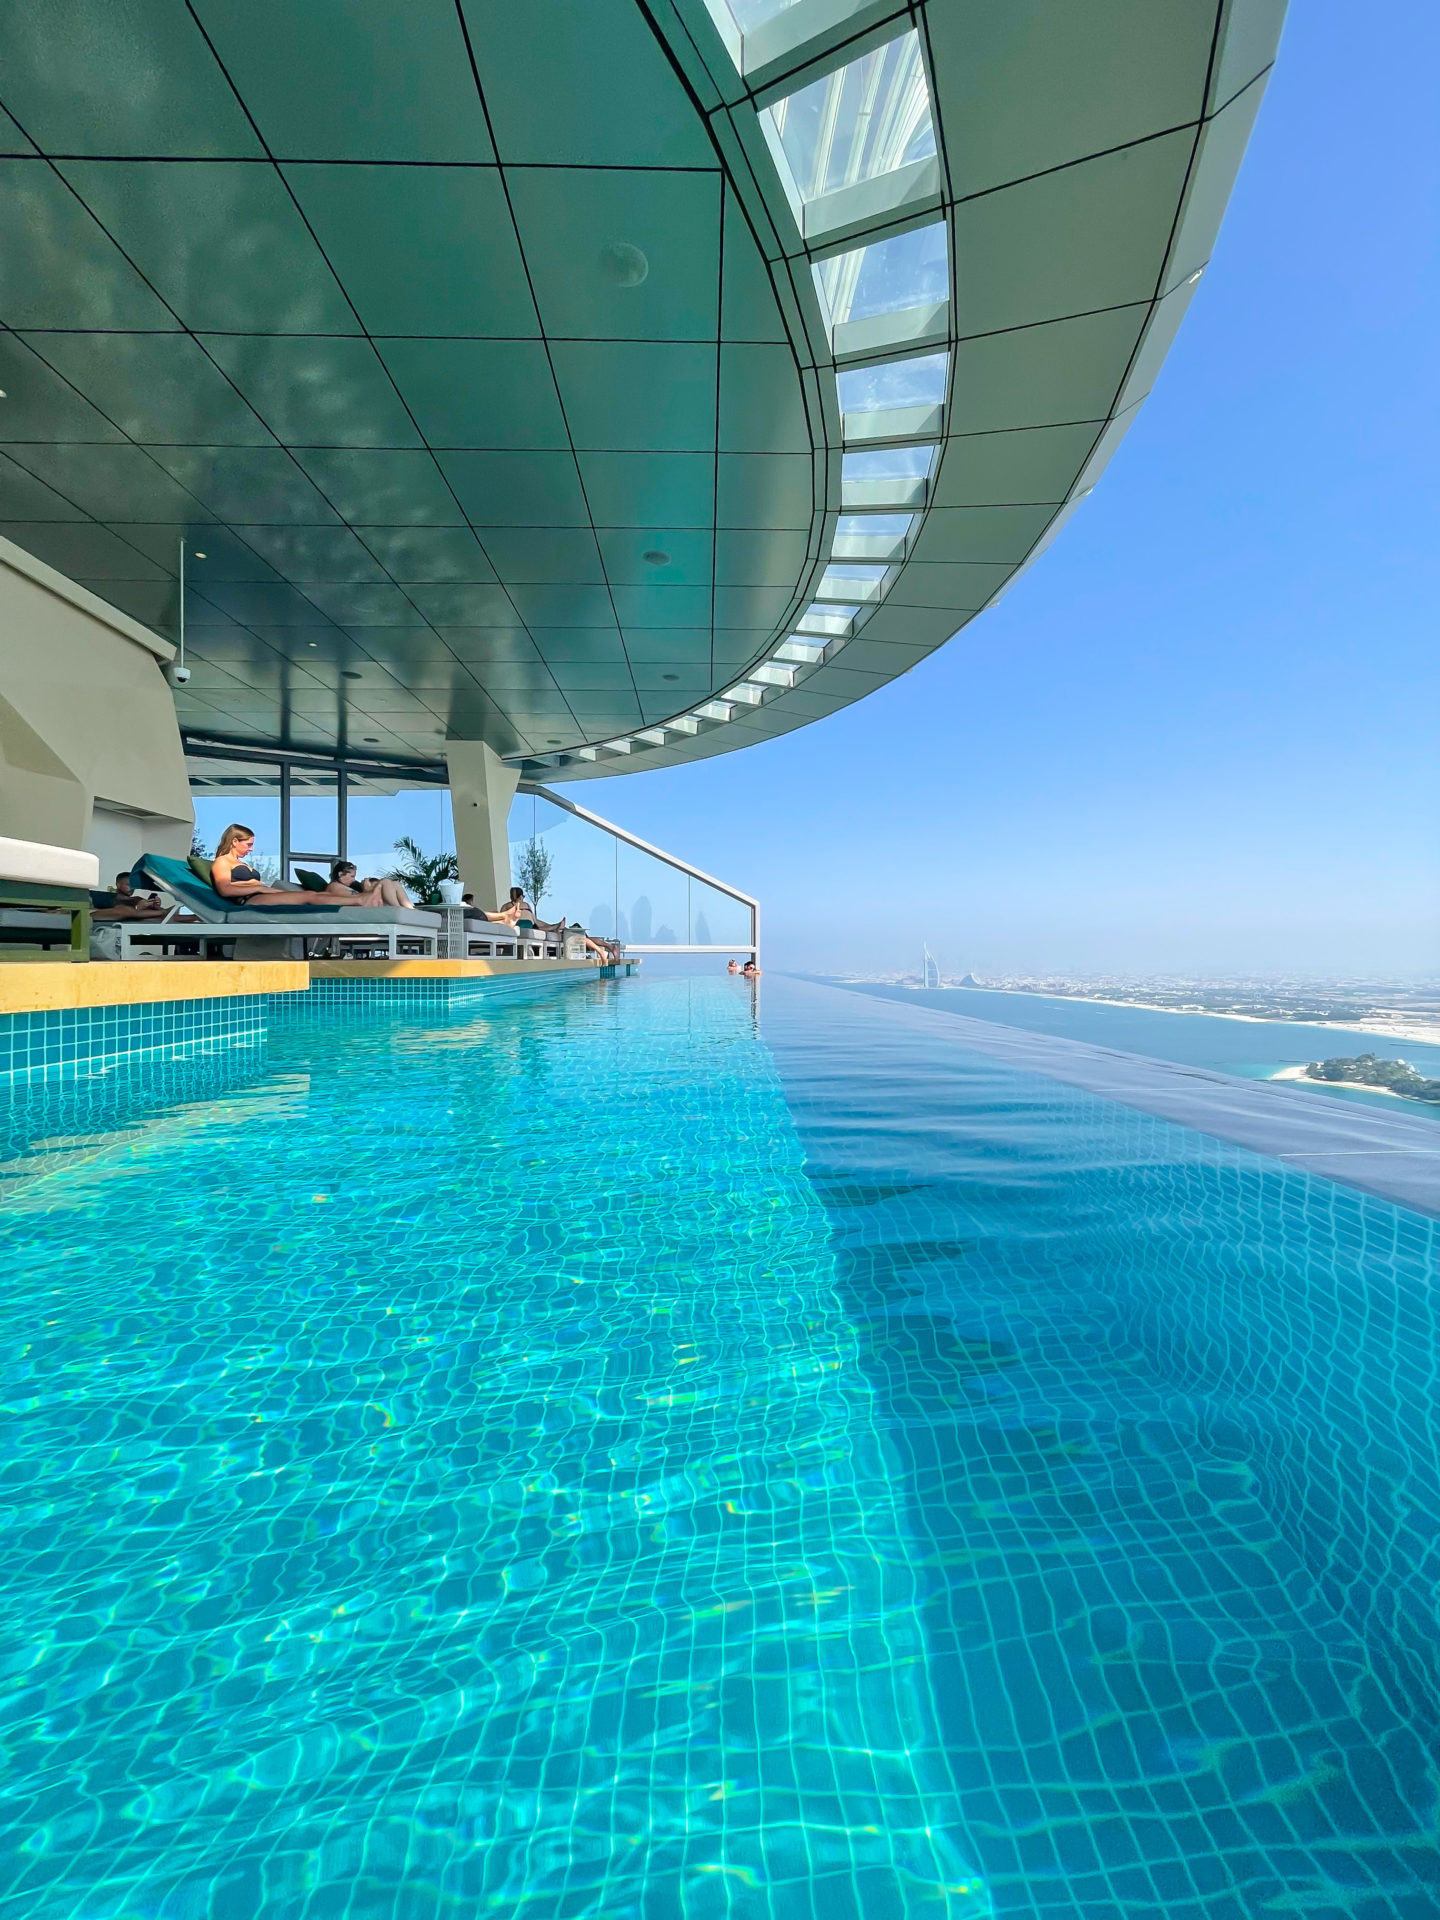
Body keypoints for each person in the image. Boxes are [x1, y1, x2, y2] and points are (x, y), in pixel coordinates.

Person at [209, 824, 312, 906]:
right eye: (248, 845)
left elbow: (239, 883)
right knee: (309, 897)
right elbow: (225, 889)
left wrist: (259, 886)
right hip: (250, 899)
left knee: (315, 896)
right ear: (235, 841)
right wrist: (258, 888)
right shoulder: (222, 861)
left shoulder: (241, 863)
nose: (251, 849)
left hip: (261, 895)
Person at [322, 860, 413, 908]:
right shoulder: (334, 886)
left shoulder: (343, 886)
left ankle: (409, 909)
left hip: (367, 904)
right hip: (363, 907)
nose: (353, 880)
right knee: (385, 882)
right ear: (341, 874)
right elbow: (356, 899)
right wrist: (367, 889)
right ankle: (397, 908)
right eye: (352, 876)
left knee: (395, 883)